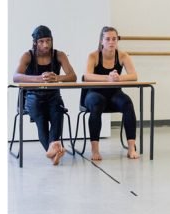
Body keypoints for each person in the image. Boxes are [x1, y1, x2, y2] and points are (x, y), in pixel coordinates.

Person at [12, 25, 77, 165]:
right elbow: (16, 77)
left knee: (57, 114)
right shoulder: (28, 55)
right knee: (41, 120)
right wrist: (38, 78)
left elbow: (73, 76)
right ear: (35, 42)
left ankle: (51, 151)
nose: (45, 45)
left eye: (48, 41)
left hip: (53, 96)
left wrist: (57, 78)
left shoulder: (59, 55)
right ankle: (53, 150)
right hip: (33, 96)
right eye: (41, 41)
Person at [83, 26, 140, 161]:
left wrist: (119, 78)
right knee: (97, 103)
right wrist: (107, 78)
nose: (111, 42)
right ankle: (95, 150)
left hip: (114, 94)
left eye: (114, 39)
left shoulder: (122, 56)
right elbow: (87, 76)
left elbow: (134, 76)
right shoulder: (93, 56)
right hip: (94, 93)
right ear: (101, 41)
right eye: (108, 39)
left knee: (127, 104)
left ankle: (131, 148)